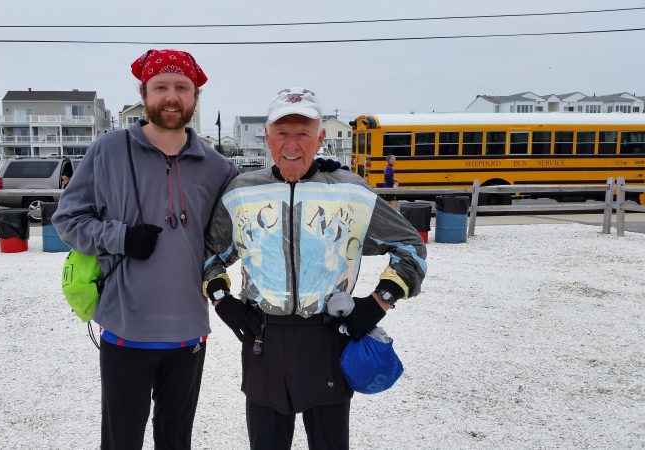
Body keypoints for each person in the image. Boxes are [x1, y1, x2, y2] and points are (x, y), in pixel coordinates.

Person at [203, 87, 427, 449]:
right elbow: (209, 254)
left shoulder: (350, 191)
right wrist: (221, 300)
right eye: (282, 132)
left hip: (328, 338)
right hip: (264, 338)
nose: (292, 143)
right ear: (268, 137)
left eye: (303, 132)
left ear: (320, 137)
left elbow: (410, 247)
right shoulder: (241, 192)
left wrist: (379, 301)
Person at [51, 49, 239, 450]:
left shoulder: (218, 167)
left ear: (195, 97)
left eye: (181, 88)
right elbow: (67, 219)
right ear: (145, 93)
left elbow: (250, 223)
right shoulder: (108, 151)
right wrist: (120, 238)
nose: (171, 97)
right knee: (121, 441)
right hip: (125, 330)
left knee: (176, 441)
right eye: (161, 87)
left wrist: (315, 173)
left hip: (189, 332)